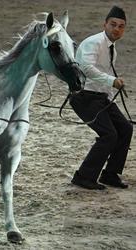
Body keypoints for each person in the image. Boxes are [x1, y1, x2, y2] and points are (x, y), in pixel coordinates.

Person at [70, 6, 133, 190]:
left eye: (121, 26)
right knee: (109, 135)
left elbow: (102, 76)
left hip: (100, 97)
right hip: (84, 97)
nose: (117, 29)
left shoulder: (112, 48)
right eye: (113, 24)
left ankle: (110, 175)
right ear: (104, 24)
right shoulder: (94, 42)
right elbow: (86, 68)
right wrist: (112, 81)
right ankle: (83, 176)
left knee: (125, 128)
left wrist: (110, 92)